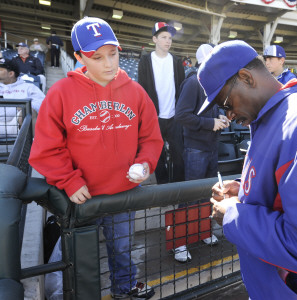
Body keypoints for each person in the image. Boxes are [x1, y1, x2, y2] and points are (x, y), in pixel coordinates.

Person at [197, 40, 297, 299]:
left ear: (246, 77)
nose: (228, 115)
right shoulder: (270, 117)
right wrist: (245, 190)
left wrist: (234, 216)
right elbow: (286, 192)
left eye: (226, 103)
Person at [29, 17, 163, 299]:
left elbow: (151, 138)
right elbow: (46, 148)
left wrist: (145, 163)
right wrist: (68, 179)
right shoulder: (60, 93)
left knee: (123, 248)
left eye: (113, 54)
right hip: (82, 196)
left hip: (123, 194)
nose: (108, 63)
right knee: (75, 253)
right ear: (79, 57)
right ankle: (69, 295)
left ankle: (125, 290)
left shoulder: (135, 91)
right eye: (97, 57)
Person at [174, 44, 229, 262]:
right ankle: (179, 241)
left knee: (207, 193)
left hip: (209, 146)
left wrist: (222, 118)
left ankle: (202, 231)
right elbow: (181, 115)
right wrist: (210, 123)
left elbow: (211, 113)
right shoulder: (193, 82)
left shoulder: (211, 83)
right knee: (189, 196)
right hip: (195, 147)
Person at [138, 22, 185, 184]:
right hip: (155, 117)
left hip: (174, 117)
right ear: (154, 39)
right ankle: (163, 186)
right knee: (158, 155)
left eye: (170, 38)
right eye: (164, 37)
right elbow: (142, 90)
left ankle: (178, 187)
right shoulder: (145, 61)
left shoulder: (176, 61)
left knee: (178, 154)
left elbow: (181, 88)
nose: (168, 41)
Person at [0, 58, 45, 136]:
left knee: (29, 110)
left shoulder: (28, 87)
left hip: (18, 125)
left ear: (11, 74)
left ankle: (33, 145)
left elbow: (44, 103)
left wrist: (24, 107)